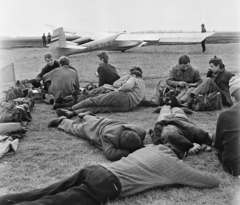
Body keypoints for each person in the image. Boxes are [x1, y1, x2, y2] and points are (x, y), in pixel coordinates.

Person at [0, 135, 219, 205]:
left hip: (96, 169)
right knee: (54, 203)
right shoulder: (174, 165)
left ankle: (7, 199)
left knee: (48, 190)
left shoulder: (151, 147)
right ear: (181, 154)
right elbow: (210, 181)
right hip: (107, 184)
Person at [48, 111, 146, 161]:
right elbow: (110, 154)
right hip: (92, 129)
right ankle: (62, 121)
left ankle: (83, 115)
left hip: (104, 121)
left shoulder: (140, 131)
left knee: (93, 119)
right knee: (76, 128)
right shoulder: (109, 137)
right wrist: (131, 151)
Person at [55, 69, 145, 116]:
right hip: (127, 107)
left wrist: (119, 89)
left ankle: (71, 109)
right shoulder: (143, 85)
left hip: (122, 97)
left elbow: (127, 86)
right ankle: (73, 113)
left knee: (95, 100)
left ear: (134, 75)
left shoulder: (134, 78)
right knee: (99, 109)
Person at [213, 76, 240, 176]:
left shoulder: (225, 115)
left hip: (234, 167)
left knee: (215, 136)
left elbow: (218, 145)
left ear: (232, 97)